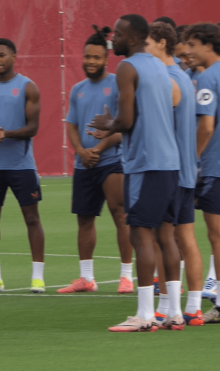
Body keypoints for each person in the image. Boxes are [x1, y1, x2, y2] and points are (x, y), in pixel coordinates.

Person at [89, 14, 183, 332]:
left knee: (140, 235)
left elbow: (127, 121)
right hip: (171, 163)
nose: (111, 38)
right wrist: (114, 126)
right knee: (166, 236)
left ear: (131, 39)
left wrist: (108, 124)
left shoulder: (127, 68)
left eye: (117, 34)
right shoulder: (159, 65)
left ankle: (144, 315)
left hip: (145, 163)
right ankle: (173, 312)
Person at [58, 25, 134, 294]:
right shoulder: (77, 89)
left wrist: (98, 149)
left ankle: (126, 276)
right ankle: (86, 278)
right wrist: (80, 150)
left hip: (111, 161)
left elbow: (123, 124)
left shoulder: (116, 83)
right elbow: (72, 125)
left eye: (96, 58)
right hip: (84, 164)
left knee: (119, 215)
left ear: (106, 59)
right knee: (84, 219)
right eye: (87, 57)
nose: (90, 62)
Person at [0, 38, 46, 294]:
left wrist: (7, 134)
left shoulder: (27, 87)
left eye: (1, 55)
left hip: (21, 165)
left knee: (32, 219)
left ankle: (37, 277)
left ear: (14, 56)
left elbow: (33, 128)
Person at [145, 21, 203, 326]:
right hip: (186, 170)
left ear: (161, 44)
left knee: (161, 238)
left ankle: (170, 308)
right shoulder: (182, 75)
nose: (144, 50)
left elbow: (159, 127)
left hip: (169, 170)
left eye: (148, 44)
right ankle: (191, 308)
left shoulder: (166, 79)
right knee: (185, 238)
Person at [186, 23, 220, 323]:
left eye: (192, 44)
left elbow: (205, 127)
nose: (189, 51)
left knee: (218, 235)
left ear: (208, 45)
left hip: (218, 168)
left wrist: (191, 161)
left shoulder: (208, 78)